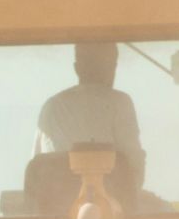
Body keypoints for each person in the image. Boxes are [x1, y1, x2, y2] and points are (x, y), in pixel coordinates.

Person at [35, 41, 145, 185]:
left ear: (77, 68)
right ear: (113, 67)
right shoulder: (120, 102)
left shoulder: (51, 106)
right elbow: (134, 167)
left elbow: (36, 170)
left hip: (56, 204)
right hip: (113, 203)